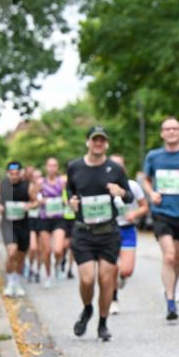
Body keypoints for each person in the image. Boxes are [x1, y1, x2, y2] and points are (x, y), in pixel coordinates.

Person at [66, 126, 133, 341]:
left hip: (108, 233)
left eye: (102, 140)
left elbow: (129, 196)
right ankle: (87, 309)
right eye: (94, 140)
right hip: (83, 232)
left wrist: (120, 192)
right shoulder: (75, 167)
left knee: (106, 280)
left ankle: (103, 324)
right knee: (87, 280)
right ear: (88, 142)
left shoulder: (115, 169)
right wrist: (71, 201)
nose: (98, 143)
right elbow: (70, 190)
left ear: (107, 144)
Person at [143, 117, 179, 320]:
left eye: (175, 128)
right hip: (162, 213)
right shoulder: (154, 156)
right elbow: (146, 179)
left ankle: (172, 292)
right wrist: (151, 193)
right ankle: (170, 301)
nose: (171, 131)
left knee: (177, 258)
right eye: (167, 129)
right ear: (162, 133)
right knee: (169, 256)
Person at [0, 162, 36, 297]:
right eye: (11, 174)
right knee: (11, 252)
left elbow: (37, 201)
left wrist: (30, 206)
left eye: (16, 174)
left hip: (23, 225)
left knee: (20, 256)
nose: (14, 177)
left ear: (21, 173)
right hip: (8, 225)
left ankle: (17, 283)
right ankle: (10, 282)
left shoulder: (28, 186)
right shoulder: (1, 184)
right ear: (7, 173)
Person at [109, 155, 148, 315]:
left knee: (126, 270)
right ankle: (113, 298)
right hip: (109, 230)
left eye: (120, 165)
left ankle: (122, 277)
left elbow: (144, 206)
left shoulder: (133, 185)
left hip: (127, 229)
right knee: (112, 267)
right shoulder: (103, 186)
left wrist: (134, 214)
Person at [32, 157, 71, 289]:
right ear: (46, 167)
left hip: (59, 218)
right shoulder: (40, 182)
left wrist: (66, 201)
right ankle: (48, 275)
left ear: (57, 167)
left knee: (58, 249)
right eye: (49, 165)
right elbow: (33, 198)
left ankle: (58, 265)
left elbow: (68, 194)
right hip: (44, 219)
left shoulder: (62, 181)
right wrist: (40, 201)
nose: (52, 168)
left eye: (54, 166)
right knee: (47, 251)